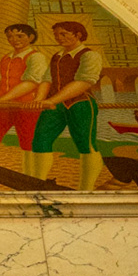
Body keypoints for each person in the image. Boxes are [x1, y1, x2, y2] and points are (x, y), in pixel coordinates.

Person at [27, 20, 104, 189]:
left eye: (63, 34)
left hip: (80, 104)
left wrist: (51, 100)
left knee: (85, 144)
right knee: (40, 140)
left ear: (77, 35)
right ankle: (37, 183)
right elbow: (47, 80)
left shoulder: (90, 55)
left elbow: (83, 82)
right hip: (54, 105)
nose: (58, 38)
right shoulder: (57, 56)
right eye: (56, 35)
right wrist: (40, 100)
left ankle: (86, 188)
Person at [0, 23, 50, 170]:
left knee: (28, 142)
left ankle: (30, 177)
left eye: (19, 36)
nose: (14, 39)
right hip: (2, 106)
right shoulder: (6, 58)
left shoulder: (36, 57)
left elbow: (31, 83)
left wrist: (1, 100)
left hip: (26, 106)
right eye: (10, 36)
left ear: (30, 37)